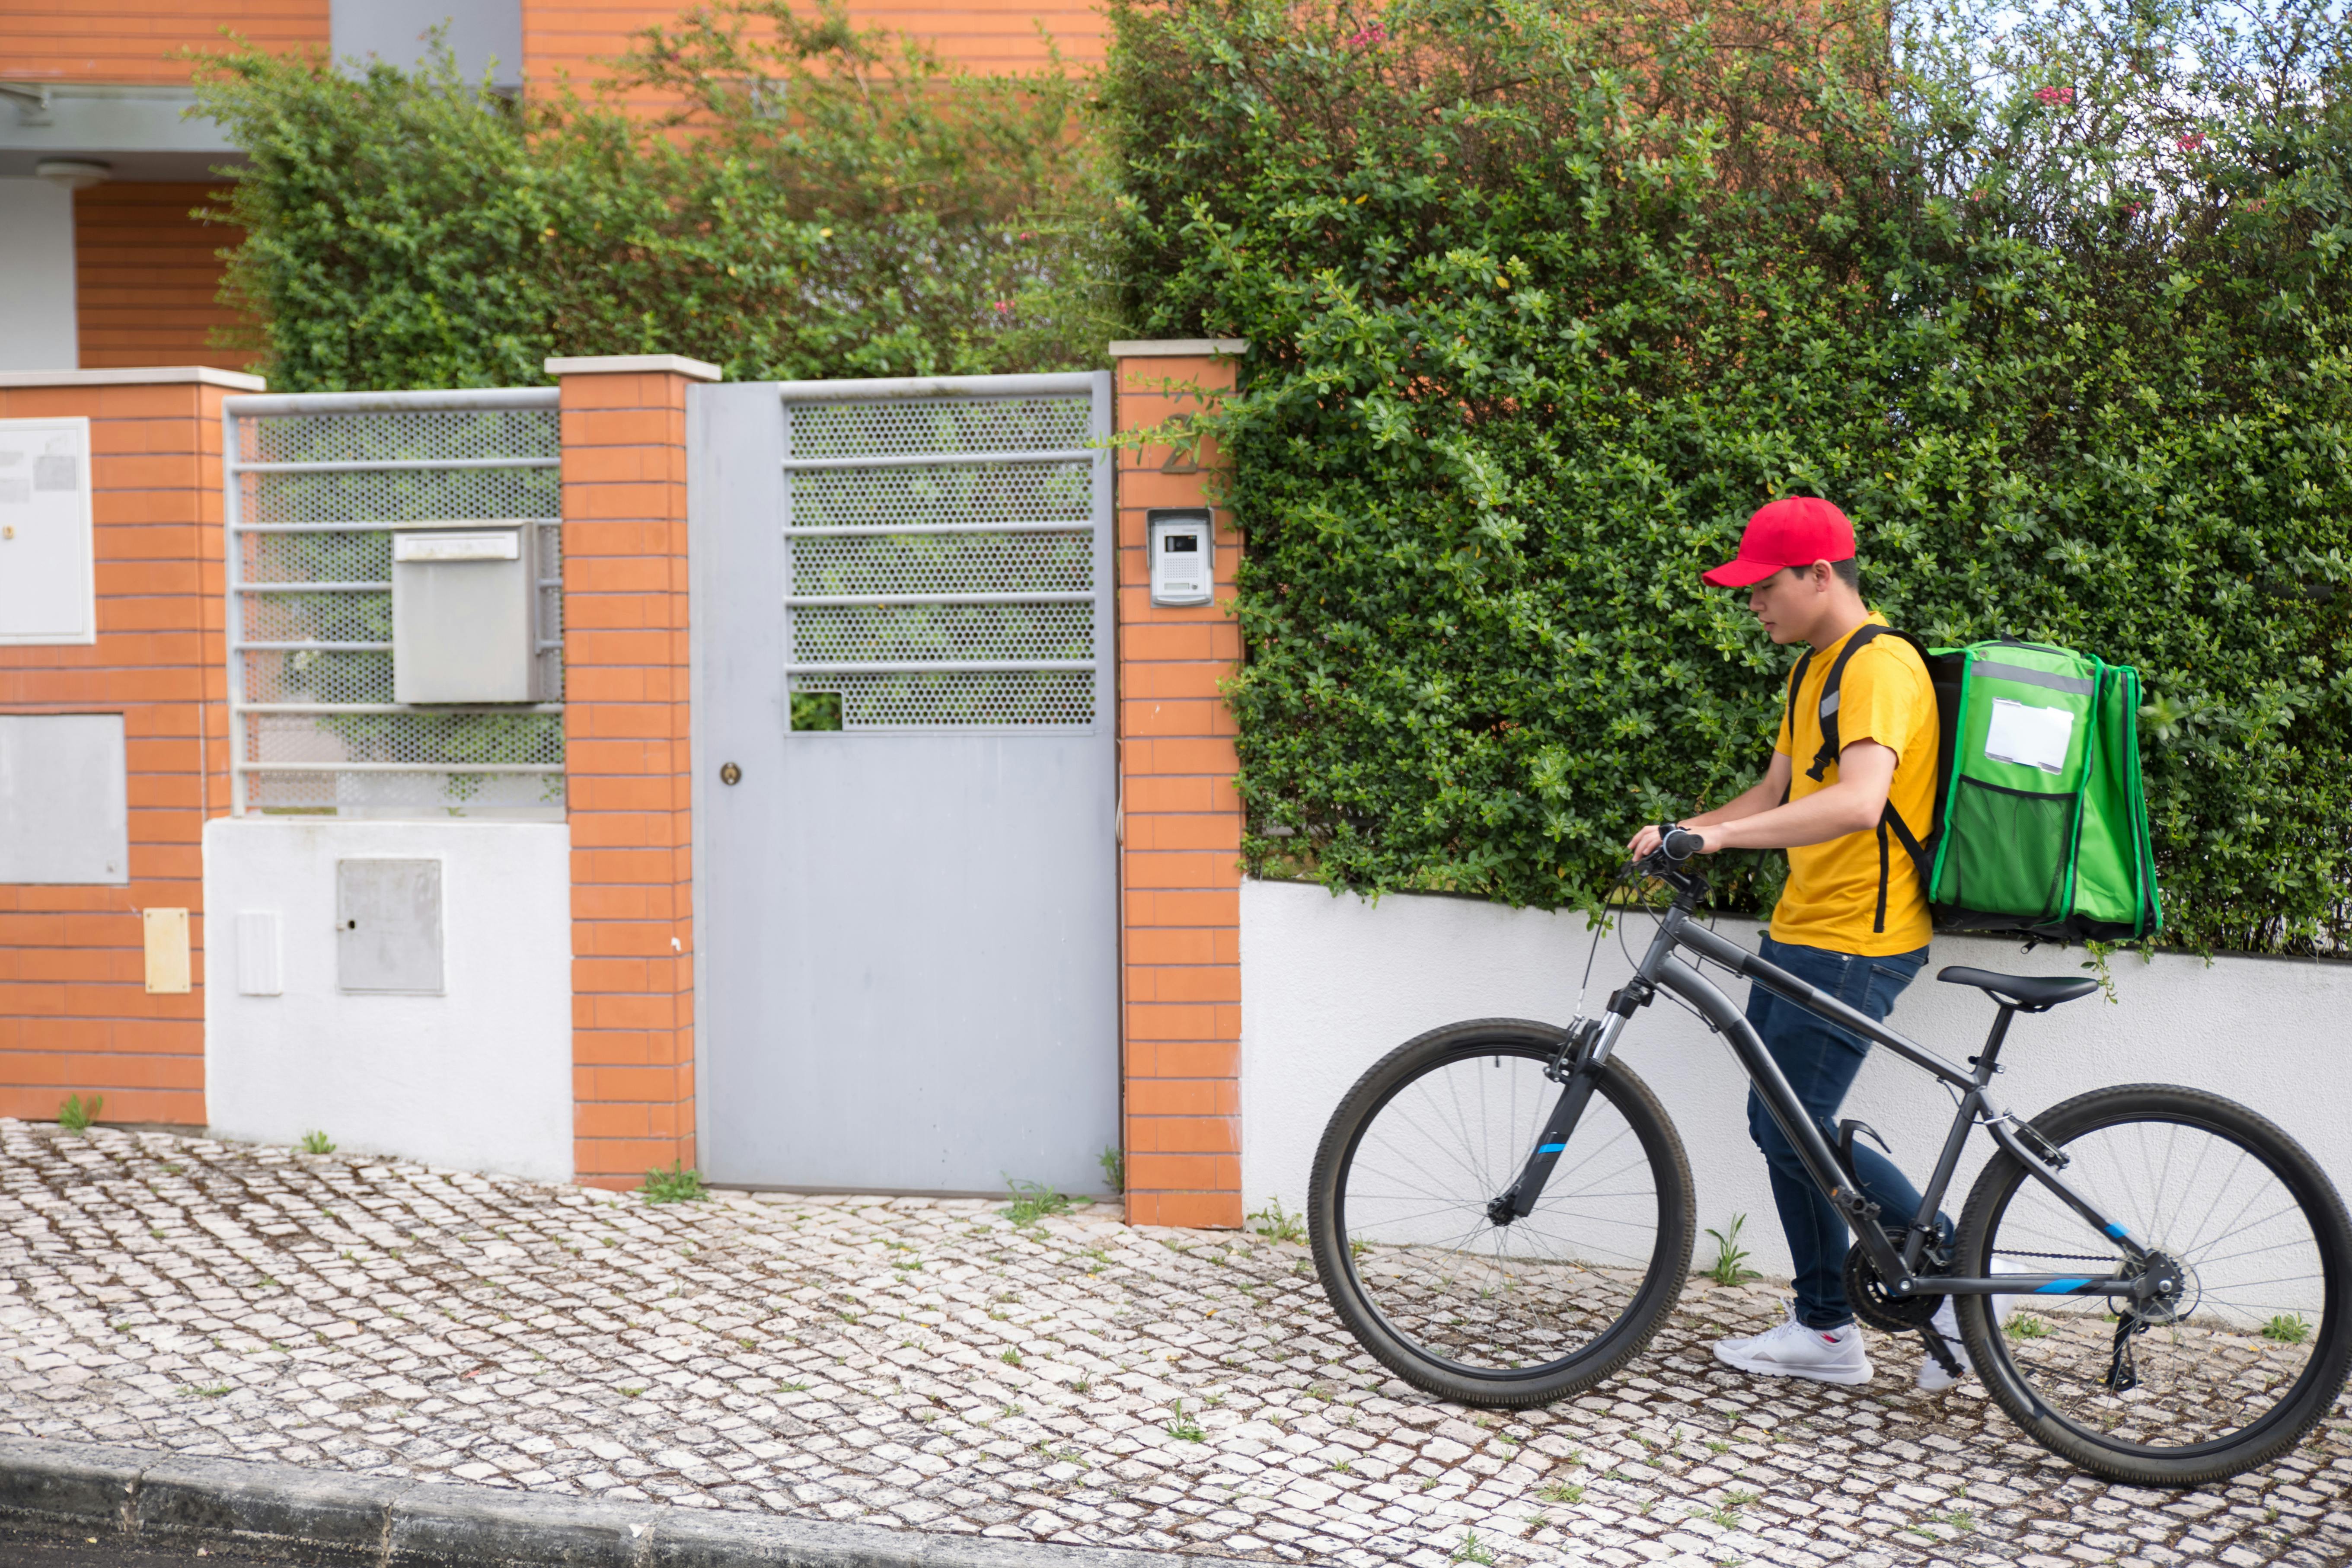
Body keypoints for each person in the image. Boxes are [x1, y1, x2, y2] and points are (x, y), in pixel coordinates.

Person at [1625, 495, 1967, 1392]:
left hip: (1862, 935)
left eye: (1764, 586)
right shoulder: (1814, 670)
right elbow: (1775, 789)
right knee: (1780, 1125)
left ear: (1821, 574)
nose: (1754, 605)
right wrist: (1686, 828)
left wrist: (1728, 842)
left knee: (1796, 1123)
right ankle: (1824, 1328)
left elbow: (1860, 800)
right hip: (1805, 927)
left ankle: (1962, 1289)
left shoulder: (1881, 667)